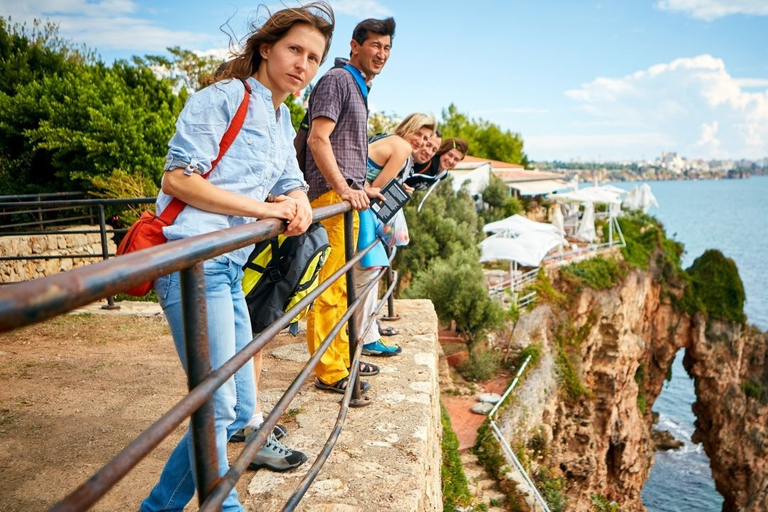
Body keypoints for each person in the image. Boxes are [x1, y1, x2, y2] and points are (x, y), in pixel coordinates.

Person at [140, 4, 334, 512]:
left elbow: (290, 181)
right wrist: (261, 210)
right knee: (220, 405)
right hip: (193, 261)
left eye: (314, 58)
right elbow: (179, 179)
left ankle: (194, 501)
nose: (303, 65)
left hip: (228, 267)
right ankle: (189, 505)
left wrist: (298, 203)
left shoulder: (279, 113)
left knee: (241, 405)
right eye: (295, 49)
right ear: (267, 48)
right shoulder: (224, 99)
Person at [303, 17, 396, 394]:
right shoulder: (339, 80)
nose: (382, 54)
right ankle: (330, 370)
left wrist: (361, 189)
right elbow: (318, 139)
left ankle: (342, 361)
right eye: (375, 45)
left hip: (348, 199)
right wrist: (344, 189)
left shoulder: (358, 86)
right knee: (329, 289)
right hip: (332, 197)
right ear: (354, 46)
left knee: (344, 288)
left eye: (387, 48)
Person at [354, 113, 435, 357]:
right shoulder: (401, 147)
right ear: (407, 129)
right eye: (418, 135)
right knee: (367, 273)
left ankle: (366, 335)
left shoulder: (392, 141)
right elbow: (375, 189)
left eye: (426, 138)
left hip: (358, 212)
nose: (421, 142)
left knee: (365, 274)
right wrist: (396, 189)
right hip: (361, 214)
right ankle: (365, 339)